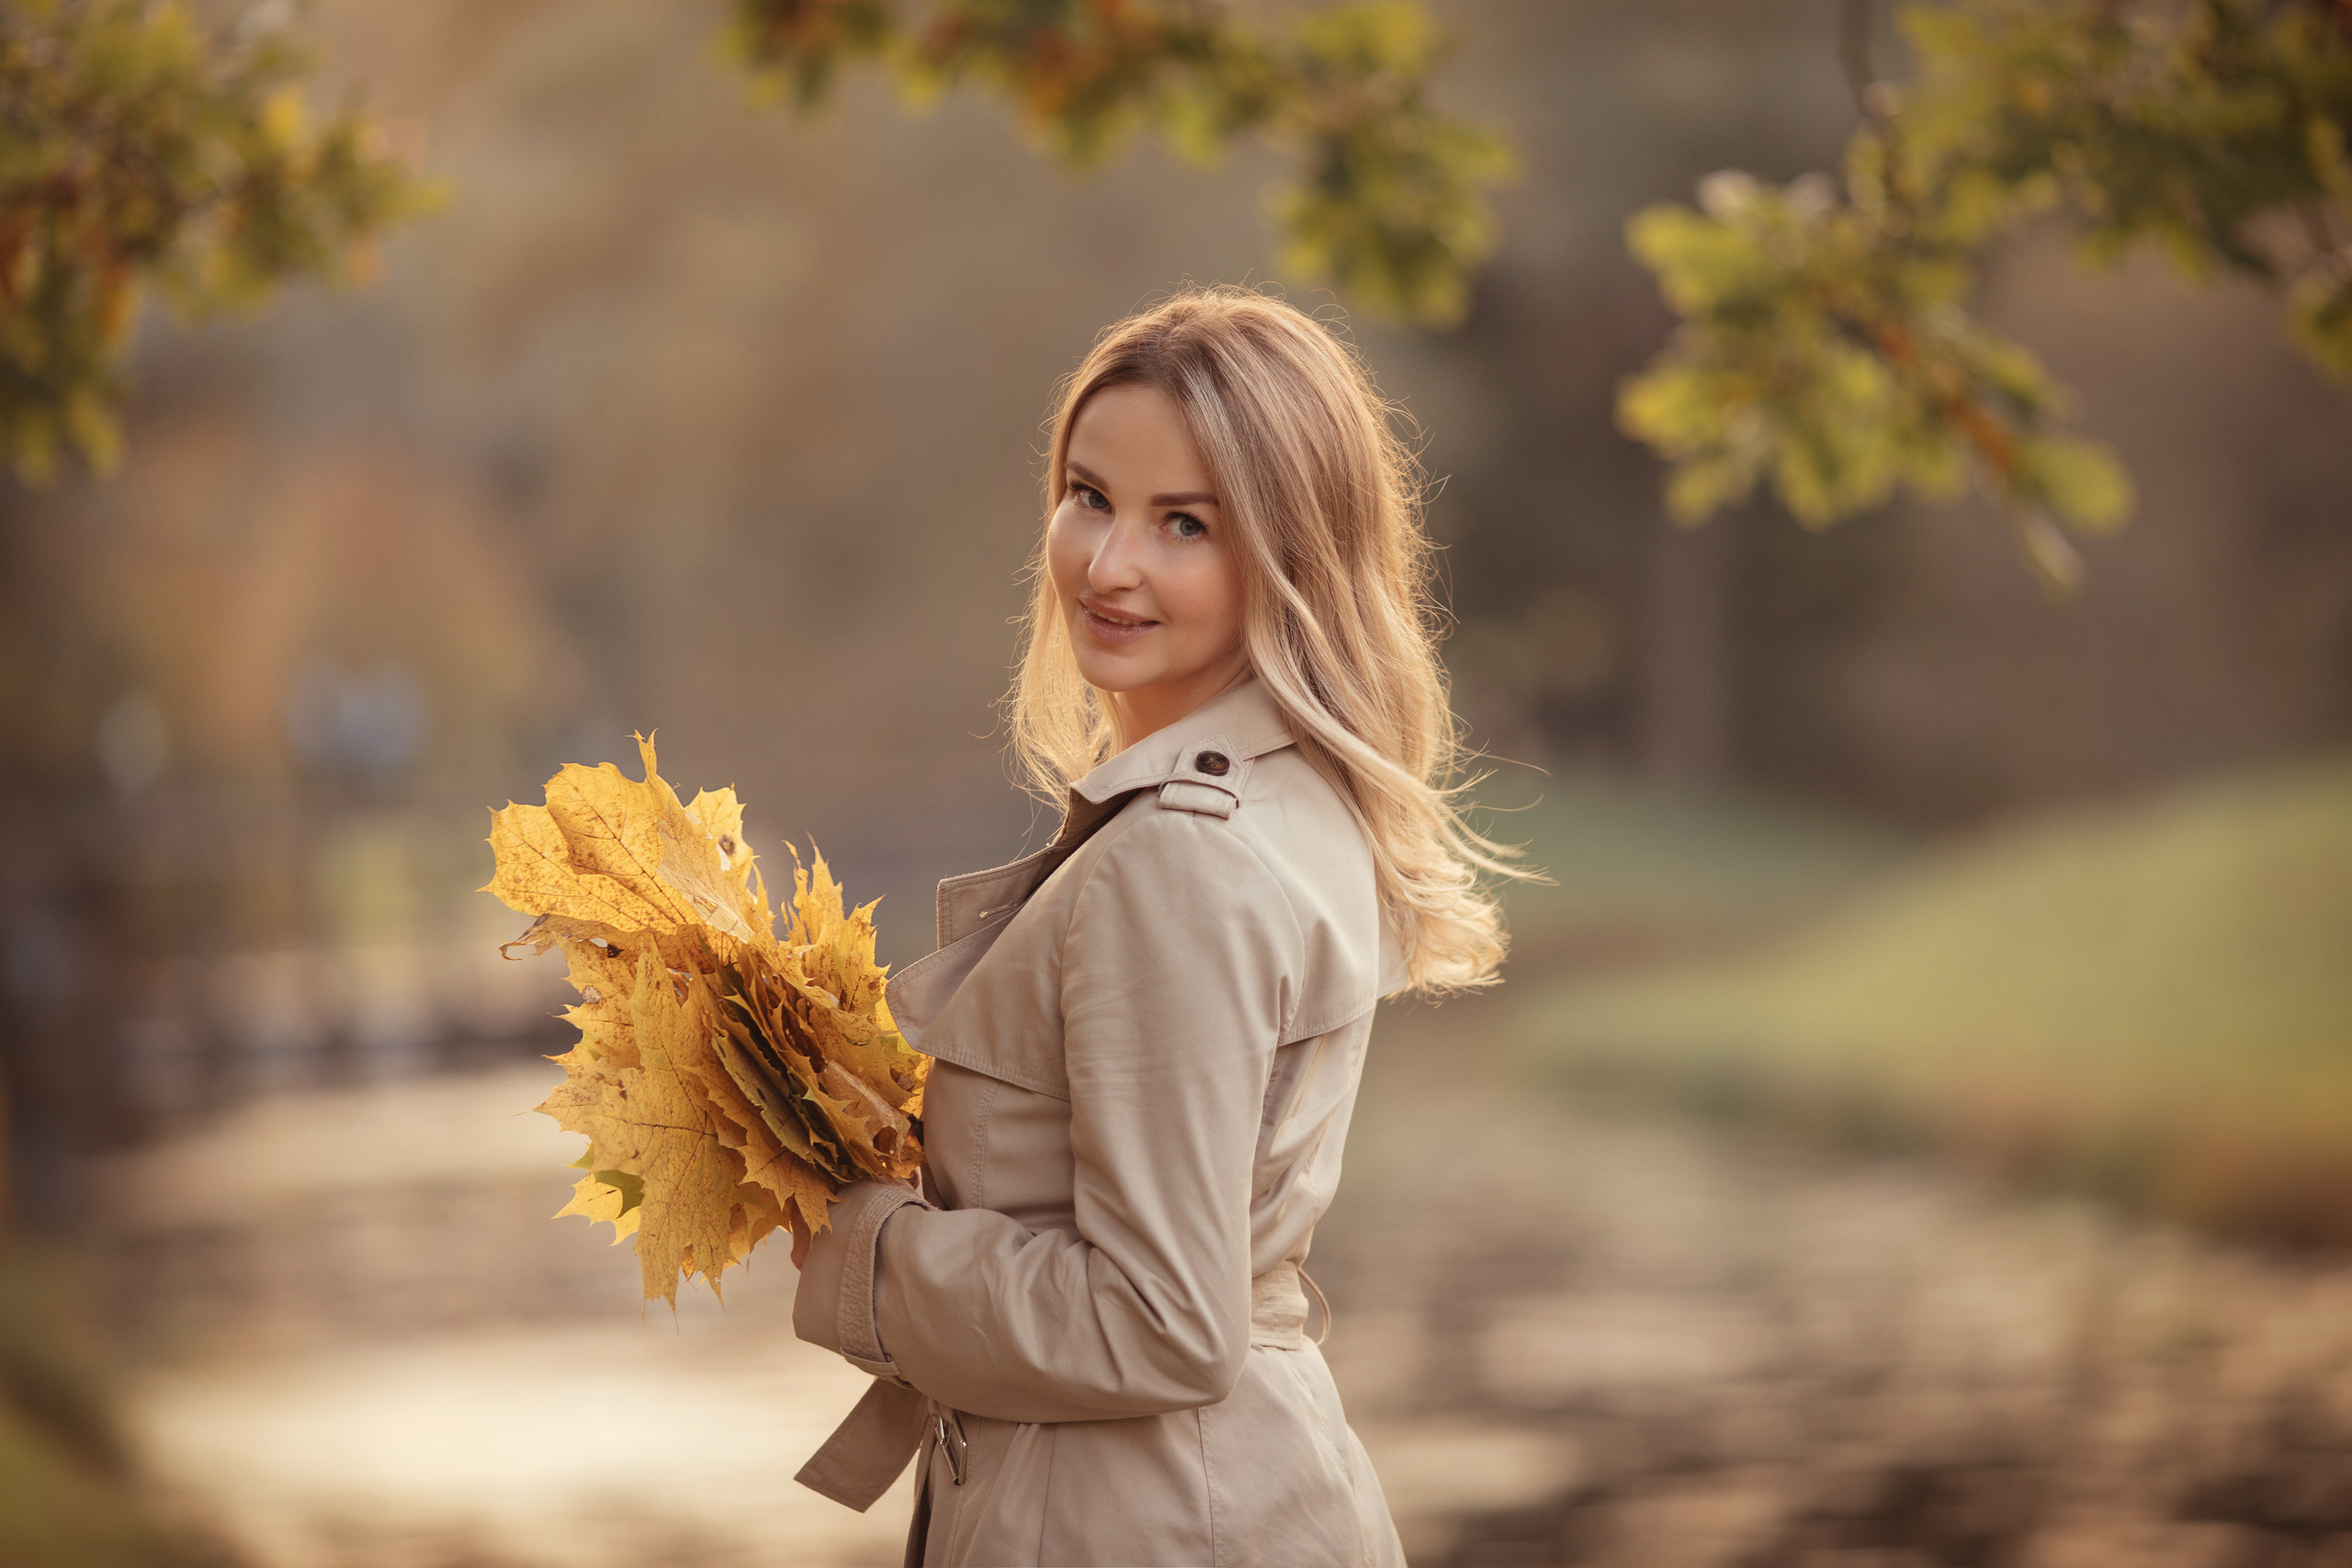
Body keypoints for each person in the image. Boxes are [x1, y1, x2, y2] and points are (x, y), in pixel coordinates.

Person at [786, 287, 1514, 1567]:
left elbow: (1162, 1320)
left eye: (1185, 524)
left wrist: (862, 1240)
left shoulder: (1179, 857)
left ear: (1290, 555)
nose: (1108, 564)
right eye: (1089, 496)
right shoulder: (1280, 799)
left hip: (1143, 1522)